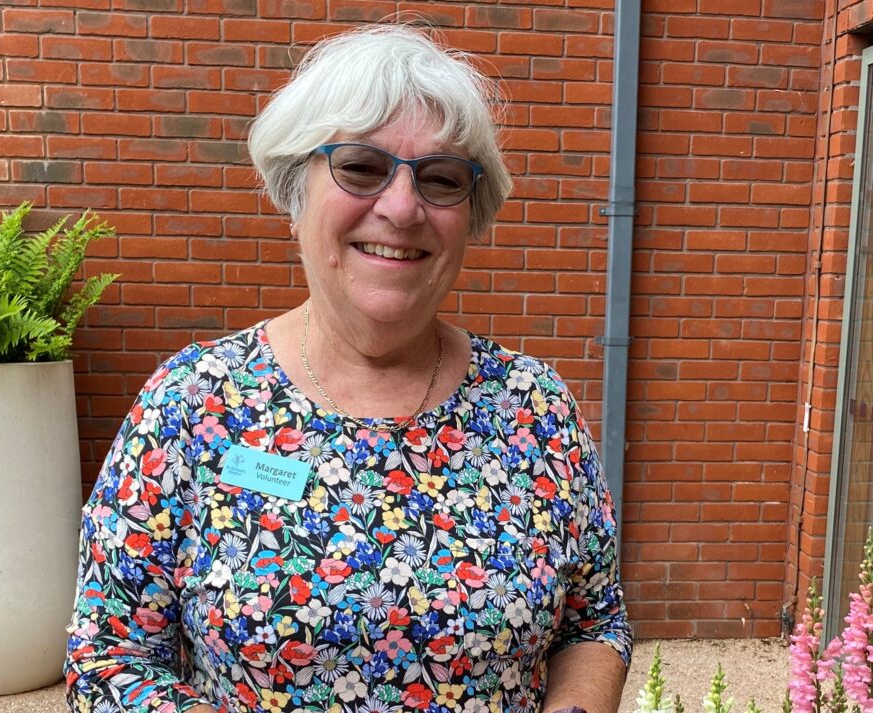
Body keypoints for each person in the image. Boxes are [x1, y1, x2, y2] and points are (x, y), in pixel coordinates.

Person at [64, 24, 632, 713]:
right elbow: (108, 659)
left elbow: (594, 621)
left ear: (470, 213)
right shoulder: (191, 406)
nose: (400, 207)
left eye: (440, 178)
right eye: (360, 167)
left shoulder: (536, 410)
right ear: (294, 191)